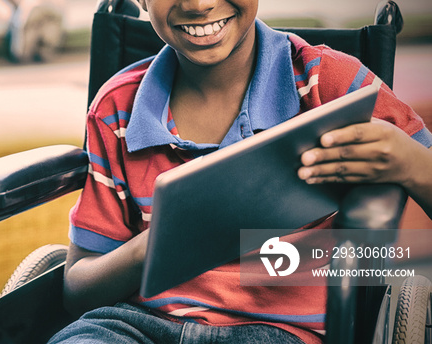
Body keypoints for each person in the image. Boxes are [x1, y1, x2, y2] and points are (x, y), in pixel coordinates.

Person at [48, 0, 432, 343]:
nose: (199, 5)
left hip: (277, 331)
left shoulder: (326, 83)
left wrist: (409, 160)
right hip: (136, 324)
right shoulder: (117, 108)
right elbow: (77, 290)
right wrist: (148, 250)